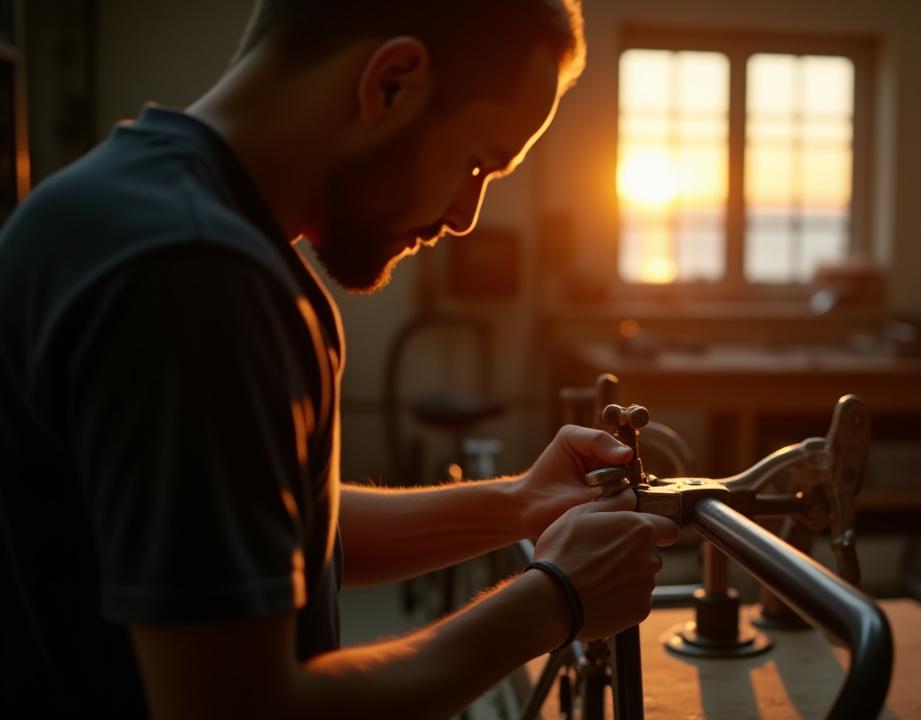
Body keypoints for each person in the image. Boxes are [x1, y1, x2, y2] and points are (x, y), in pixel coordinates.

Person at [0, 1, 680, 717]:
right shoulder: (196, 278)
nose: (465, 216)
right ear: (391, 82)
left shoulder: (124, 207)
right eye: (479, 163)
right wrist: (558, 601)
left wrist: (519, 504)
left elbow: (267, 537)